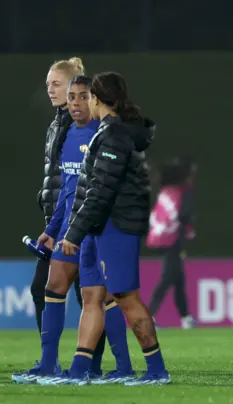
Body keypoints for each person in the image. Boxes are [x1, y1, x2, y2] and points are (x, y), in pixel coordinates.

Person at [50, 72, 169, 386]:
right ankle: (78, 370)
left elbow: (101, 190)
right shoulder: (107, 133)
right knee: (93, 296)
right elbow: (92, 188)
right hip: (102, 226)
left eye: (87, 96)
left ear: (96, 99)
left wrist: (73, 234)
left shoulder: (114, 136)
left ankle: (156, 369)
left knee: (125, 296)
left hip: (116, 226)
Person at [13, 61, 108, 384]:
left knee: (91, 295)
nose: (51, 89)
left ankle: (92, 366)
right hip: (61, 220)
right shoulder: (59, 125)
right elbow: (60, 179)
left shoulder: (91, 127)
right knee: (51, 289)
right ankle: (54, 363)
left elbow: (88, 182)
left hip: (82, 225)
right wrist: (52, 223)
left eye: (57, 84)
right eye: (49, 84)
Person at [147, 158, 197, 329]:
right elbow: (183, 215)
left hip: (159, 237)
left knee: (178, 279)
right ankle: (148, 316)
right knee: (168, 278)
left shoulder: (165, 191)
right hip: (173, 239)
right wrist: (186, 235)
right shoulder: (185, 191)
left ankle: (186, 317)